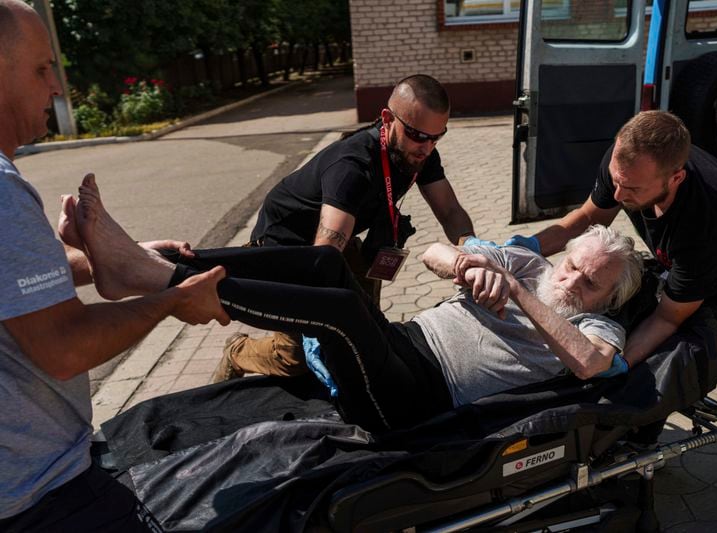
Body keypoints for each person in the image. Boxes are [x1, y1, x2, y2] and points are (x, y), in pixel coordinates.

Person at [65, 179, 643, 432]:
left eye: (589, 281)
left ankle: (161, 279)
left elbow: (591, 364)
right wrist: (469, 265)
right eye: (570, 264)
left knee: (340, 307)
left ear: (607, 298)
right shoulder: (530, 263)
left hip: (420, 399)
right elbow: (437, 252)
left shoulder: (596, 326)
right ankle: (168, 263)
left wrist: (517, 295)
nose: (569, 281)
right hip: (402, 343)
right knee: (326, 266)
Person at [506, 110, 717, 528]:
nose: (620, 190)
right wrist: (531, 243)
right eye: (617, 179)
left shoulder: (707, 218)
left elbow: (667, 318)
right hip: (700, 262)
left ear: (675, 178)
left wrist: (616, 362)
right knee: (648, 335)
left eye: (633, 188)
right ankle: (638, 442)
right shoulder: (627, 160)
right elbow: (592, 214)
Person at [0, 2, 230, 530]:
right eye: (41, 69)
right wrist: (170, 301)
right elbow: (65, 347)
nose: (56, 87)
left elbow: (11, 282)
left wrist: (103, 260)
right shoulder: (3, 190)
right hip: (40, 497)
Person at [213, 74, 480, 383]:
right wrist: (325, 316)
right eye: (418, 135)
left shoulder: (420, 153)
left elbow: (449, 211)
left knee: (369, 330)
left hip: (338, 237)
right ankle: (237, 351)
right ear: (387, 119)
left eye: (437, 137)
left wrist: (475, 251)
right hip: (284, 244)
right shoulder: (351, 167)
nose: (427, 147)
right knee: (293, 357)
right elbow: (324, 256)